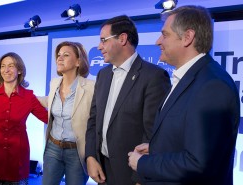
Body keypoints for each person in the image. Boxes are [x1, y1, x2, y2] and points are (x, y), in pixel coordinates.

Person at [128, 5, 240, 185]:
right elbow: (190, 141)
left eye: (165, 35)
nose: (158, 41)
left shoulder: (212, 86)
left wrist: (143, 163)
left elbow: (199, 164)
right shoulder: (192, 77)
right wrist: (157, 149)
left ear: (187, 37)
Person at [85, 15, 171, 185]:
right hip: (102, 169)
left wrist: (141, 177)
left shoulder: (153, 76)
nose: (99, 46)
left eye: (103, 40)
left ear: (122, 39)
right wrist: (90, 157)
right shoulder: (103, 75)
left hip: (131, 174)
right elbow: (93, 120)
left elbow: (153, 133)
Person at [0, 52, 48, 184]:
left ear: (19, 70)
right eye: (3, 66)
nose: (6, 70)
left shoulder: (28, 96)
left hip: (17, 160)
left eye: (11, 66)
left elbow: (48, 118)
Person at [39, 41, 94, 185]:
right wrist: (28, 96)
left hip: (76, 152)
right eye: (58, 55)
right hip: (53, 148)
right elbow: (50, 101)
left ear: (78, 61)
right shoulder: (54, 83)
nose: (59, 58)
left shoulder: (91, 87)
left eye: (66, 55)